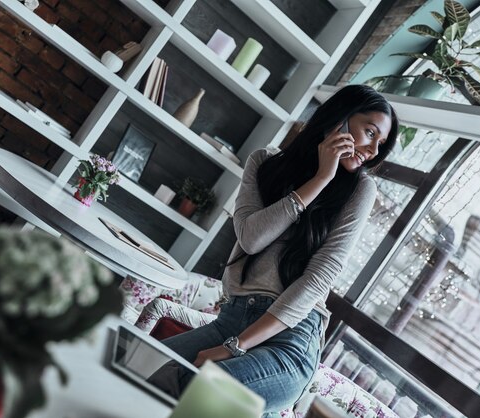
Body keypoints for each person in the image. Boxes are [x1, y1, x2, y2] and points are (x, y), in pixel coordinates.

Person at [161, 84, 399, 415]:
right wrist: (320, 178)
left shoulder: (361, 189)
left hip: (291, 341)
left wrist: (235, 347)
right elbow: (251, 239)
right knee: (149, 364)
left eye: (381, 143)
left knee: (198, 389)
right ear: (339, 119)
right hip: (232, 319)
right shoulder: (265, 162)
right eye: (370, 132)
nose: (373, 149)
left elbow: (319, 278)